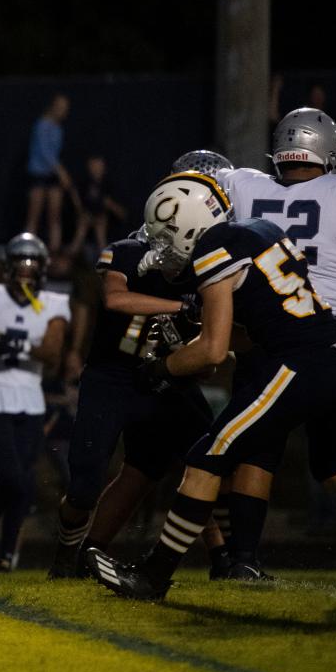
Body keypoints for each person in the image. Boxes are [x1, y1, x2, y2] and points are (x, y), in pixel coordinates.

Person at [88, 172, 336, 601]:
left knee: (207, 457)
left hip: (302, 362)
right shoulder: (261, 230)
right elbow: (250, 332)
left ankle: (154, 576)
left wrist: (162, 368)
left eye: (167, 236)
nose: (164, 249)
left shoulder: (212, 249)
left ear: (188, 223)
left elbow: (212, 351)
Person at [212, 109, 336, 580]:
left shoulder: (243, 187)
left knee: (256, 445)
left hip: (268, 331)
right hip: (332, 332)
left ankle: (244, 558)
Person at [48, 221, 225, 580]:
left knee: (207, 461)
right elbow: (115, 298)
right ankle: (69, 551)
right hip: (112, 376)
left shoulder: (209, 267)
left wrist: (193, 351)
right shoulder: (129, 250)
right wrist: (181, 307)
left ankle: (227, 558)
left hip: (167, 375)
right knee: (83, 488)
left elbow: (208, 363)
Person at [0, 233, 70, 570]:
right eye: (20, 264)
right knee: (18, 480)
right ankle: (3, 550)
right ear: (8, 267)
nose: (26, 271)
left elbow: (53, 354)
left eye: (32, 264)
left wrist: (13, 345)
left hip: (30, 401)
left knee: (16, 480)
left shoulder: (54, 303)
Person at [25, 94, 73, 253]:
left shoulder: (58, 129)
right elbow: (45, 153)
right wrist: (61, 172)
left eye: (65, 108)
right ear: (52, 106)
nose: (62, 111)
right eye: (60, 107)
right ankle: (27, 251)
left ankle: (54, 253)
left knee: (55, 216)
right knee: (34, 215)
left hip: (53, 177)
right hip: (39, 175)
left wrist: (59, 173)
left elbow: (55, 153)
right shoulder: (41, 125)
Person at [68, 154, 125, 256]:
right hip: (84, 234)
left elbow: (122, 214)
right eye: (93, 166)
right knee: (82, 226)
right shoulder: (83, 184)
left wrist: (110, 205)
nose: (96, 169)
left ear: (103, 167)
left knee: (100, 227)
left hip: (107, 233)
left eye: (98, 166)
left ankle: (105, 262)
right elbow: (76, 207)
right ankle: (69, 258)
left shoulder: (110, 185)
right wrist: (83, 214)